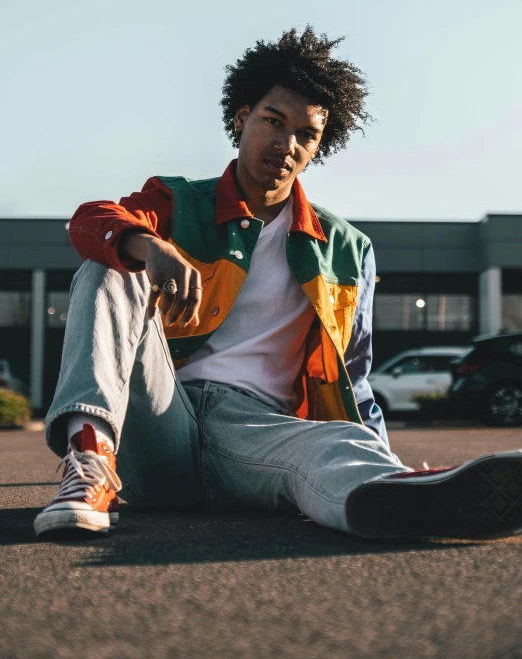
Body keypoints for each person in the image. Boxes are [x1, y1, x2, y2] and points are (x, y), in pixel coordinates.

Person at [35, 27, 522, 541]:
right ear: (243, 118)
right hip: (159, 422)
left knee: (334, 445)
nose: (286, 144)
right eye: (272, 121)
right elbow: (88, 222)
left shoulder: (346, 251)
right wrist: (151, 246)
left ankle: (406, 496)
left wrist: (379, 450)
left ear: (319, 144)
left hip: (257, 433)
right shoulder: (178, 204)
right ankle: (88, 464)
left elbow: (352, 381)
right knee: (112, 261)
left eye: (305, 134)